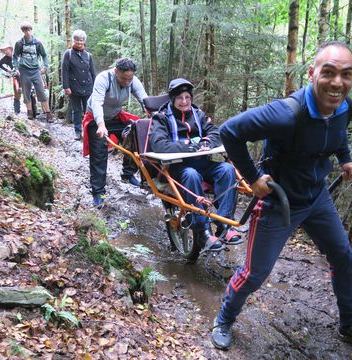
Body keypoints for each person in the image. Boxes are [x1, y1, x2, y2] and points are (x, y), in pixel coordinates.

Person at [211, 41, 352, 350]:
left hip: (317, 198)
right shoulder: (286, 114)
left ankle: (350, 323)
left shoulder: (344, 106)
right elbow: (229, 132)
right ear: (312, 73)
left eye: (346, 75)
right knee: (255, 273)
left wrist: (345, 158)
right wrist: (253, 178)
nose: (337, 83)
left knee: (343, 256)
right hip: (278, 203)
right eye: (329, 73)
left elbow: (339, 133)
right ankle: (224, 317)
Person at [150, 78, 243, 252]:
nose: (184, 101)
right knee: (191, 175)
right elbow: (159, 144)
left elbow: (215, 132)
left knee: (227, 169)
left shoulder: (198, 114)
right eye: (179, 98)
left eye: (187, 97)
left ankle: (224, 225)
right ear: (172, 99)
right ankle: (203, 231)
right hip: (177, 167)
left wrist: (207, 142)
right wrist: (187, 146)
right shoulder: (161, 118)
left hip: (203, 162)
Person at [83, 57, 147, 207]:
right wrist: (100, 124)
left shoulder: (132, 80)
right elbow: (97, 102)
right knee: (99, 154)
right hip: (96, 118)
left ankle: (128, 173)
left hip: (115, 116)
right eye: (124, 78)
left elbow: (144, 99)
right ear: (116, 71)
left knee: (137, 135)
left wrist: (152, 112)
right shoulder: (103, 78)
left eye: (129, 79)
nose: (127, 82)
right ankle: (98, 192)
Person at [13, 21, 53, 122]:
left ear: (31, 30)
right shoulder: (19, 43)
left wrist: (45, 66)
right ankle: (29, 113)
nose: (27, 32)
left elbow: (44, 55)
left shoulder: (37, 43)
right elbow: (15, 57)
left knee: (41, 92)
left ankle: (48, 114)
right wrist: (16, 67)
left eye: (29, 29)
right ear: (23, 31)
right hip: (24, 70)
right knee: (26, 92)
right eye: (25, 30)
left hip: (36, 70)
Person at [61, 30, 96, 141]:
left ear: (84, 41)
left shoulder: (88, 56)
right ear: (73, 41)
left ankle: (88, 131)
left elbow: (93, 72)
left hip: (88, 87)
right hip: (74, 87)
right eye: (77, 41)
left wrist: (96, 87)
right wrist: (66, 87)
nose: (79, 43)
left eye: (81, 41)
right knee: (76, 110)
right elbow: (64, 71)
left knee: (88, 110)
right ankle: (77, 132)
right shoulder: (69, 54)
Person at [0, 44, 22, 114]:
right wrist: (7, 70)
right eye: (4, 51)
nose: (6, 51)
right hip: (15, 75)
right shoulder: (5, 58)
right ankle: (17, 111)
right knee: (16, 93)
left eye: (7, 50)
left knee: (31, 93)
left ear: (10, 49)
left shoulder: (17, 55)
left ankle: (33, 111)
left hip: (24, 73)